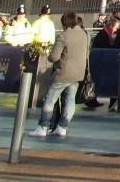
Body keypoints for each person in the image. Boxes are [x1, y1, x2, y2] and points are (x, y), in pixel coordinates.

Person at [27, 12, 90, 140]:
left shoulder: (63, 36)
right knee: (70, 100)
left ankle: (43, 127)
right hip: (78, 73)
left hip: (62, 73)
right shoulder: (85, 34)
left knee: (50, 99)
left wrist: (51, 56)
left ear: (65, 23)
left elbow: (54, 57)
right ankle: (62, 127)